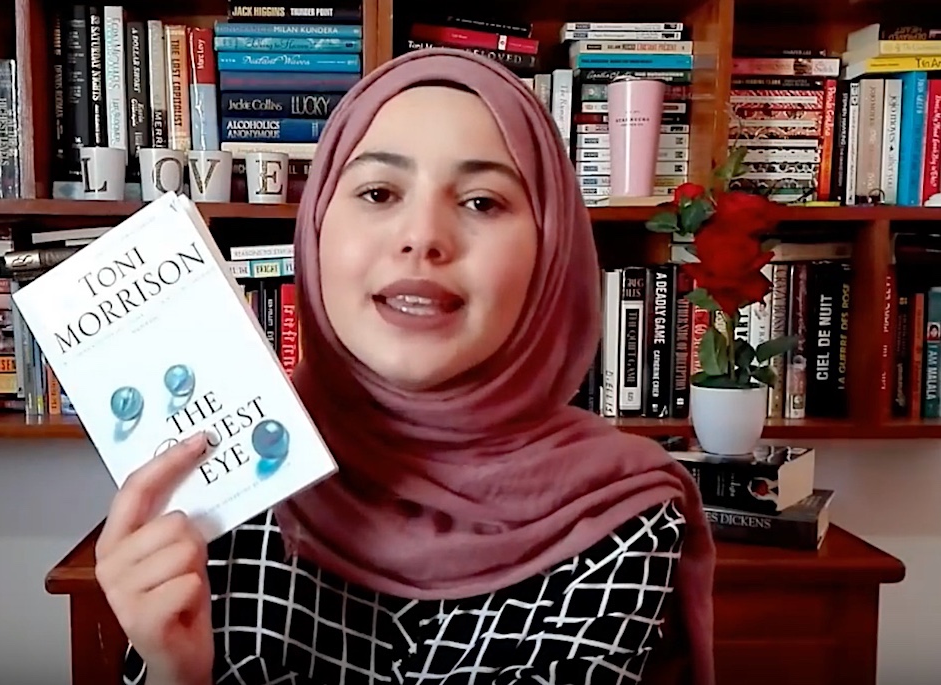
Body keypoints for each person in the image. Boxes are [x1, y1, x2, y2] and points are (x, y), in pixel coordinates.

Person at [93, 47, 716, 685]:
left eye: (481, 202)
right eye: (378, 192)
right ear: (316, 230)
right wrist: (174, 674)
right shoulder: (217, 485)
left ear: (551, 251)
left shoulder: (617, 518)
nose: (423, 237)